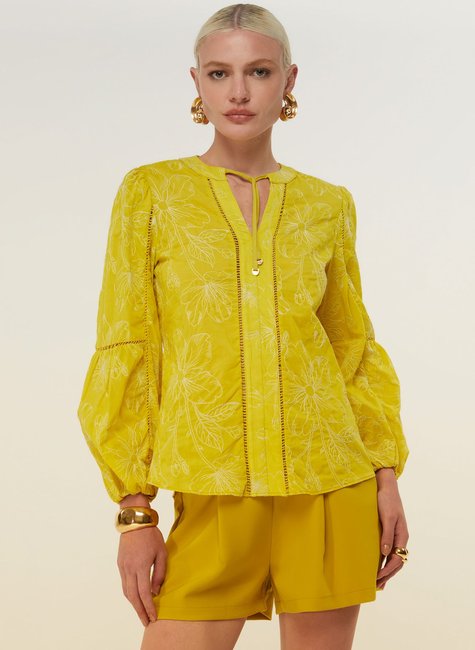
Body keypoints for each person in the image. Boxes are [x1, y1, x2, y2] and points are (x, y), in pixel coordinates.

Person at [77, 4, 410, 649]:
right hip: (212, 489)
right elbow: (130, 344)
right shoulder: (151, 193)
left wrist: (387, 476)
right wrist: (135, 511)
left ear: (288, 80)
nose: (238, 91)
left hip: (331, 483)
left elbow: (352, 346)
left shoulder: (327, 203)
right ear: (196, 83)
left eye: (258, 71)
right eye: (218, 73)